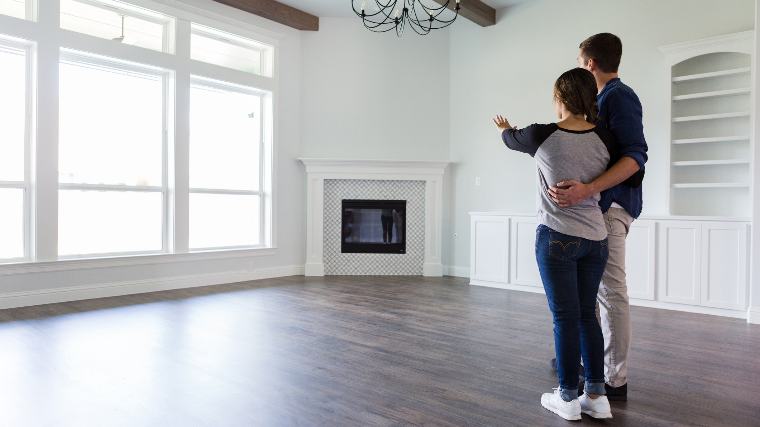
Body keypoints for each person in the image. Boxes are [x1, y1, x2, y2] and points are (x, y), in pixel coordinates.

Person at [493, 68, 614, 421]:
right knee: (587, 315)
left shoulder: (540, 135)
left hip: (557, 237)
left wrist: (504, 127)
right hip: (596, 239)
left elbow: (510, 139)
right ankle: (596, 395)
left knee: (564, 318)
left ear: (559, 98)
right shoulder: (606, 138)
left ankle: (567, 398)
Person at [548, 33, 648, 401]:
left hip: (609, 209)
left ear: (589, 63)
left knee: (610, 292)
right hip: (592, 211)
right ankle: (581, 365)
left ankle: (614, 379)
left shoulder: (618, 97)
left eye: (579, 61)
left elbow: (635, 157)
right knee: (585, 296)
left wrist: (588, 190)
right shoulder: (599, 102)